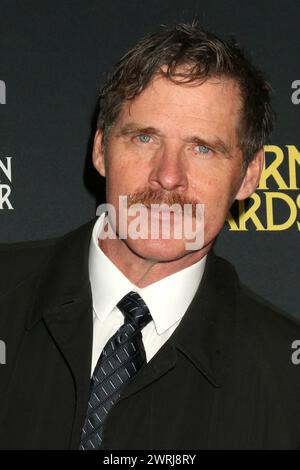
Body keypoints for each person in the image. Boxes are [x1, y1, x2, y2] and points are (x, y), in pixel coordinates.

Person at [0, 22, 300, 450]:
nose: (168, 177)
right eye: (144, 137)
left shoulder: (287, 381)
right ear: (101, 149)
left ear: (249, 175)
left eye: (202, 148)